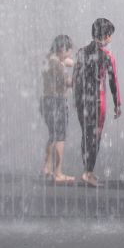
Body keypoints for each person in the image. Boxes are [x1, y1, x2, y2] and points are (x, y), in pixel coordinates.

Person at [73, 18, 122, 187]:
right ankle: (88, 172)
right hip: (97, 101)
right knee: (95, 137)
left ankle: (87, 170)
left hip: (82, 100)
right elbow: (113, 82)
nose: (111, 39)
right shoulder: (107, 56)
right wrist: (118, 103)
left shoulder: (81, 52)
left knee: (86, 135)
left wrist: (76, 98)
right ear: (107, 35)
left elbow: (75, 78)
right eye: (111, 36)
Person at [40, 35, 75, 183]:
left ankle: (46, 169)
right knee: (60, 137)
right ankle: (58, 173)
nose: (70, 55)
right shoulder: (57, 65)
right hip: (57, 101)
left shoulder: (48, 60)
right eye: (69, 51)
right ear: (62, 49)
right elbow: (68, 83)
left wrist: (67, 62)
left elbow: (67, 62)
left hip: (46, 101)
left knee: (53, 135)